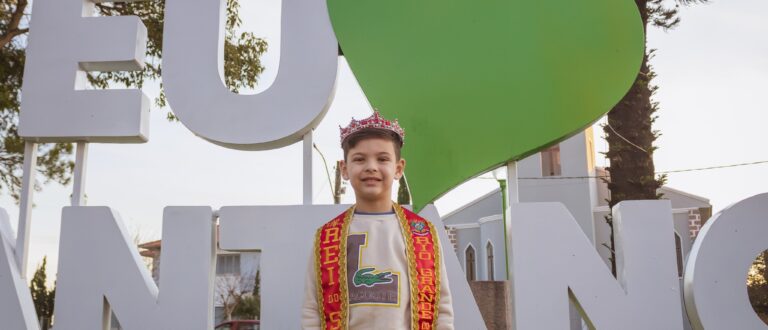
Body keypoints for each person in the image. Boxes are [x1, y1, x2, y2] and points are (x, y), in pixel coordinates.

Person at [301, 111, 454, 329]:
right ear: (344, 169)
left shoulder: (422, 233)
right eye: (359, 159)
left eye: (382, 159)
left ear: (398, 168)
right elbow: (312, 309)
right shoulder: (327, 236)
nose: (371, 166)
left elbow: (441, 308)